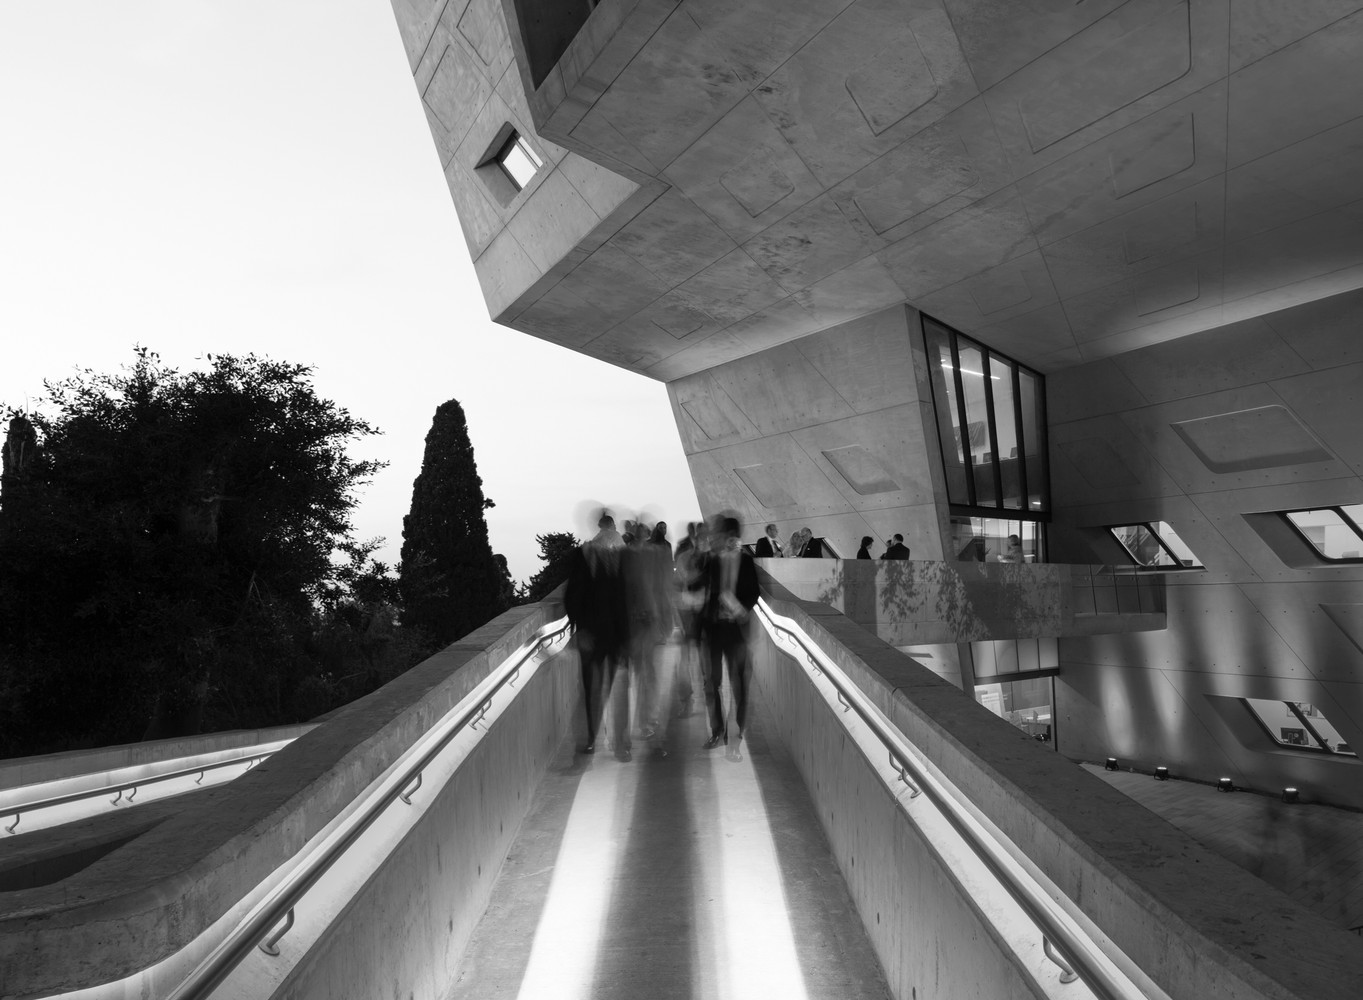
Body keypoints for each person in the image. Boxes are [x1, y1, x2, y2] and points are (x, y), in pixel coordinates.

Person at [563, 511, 629, 759]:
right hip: (610, 634)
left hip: (594, 634)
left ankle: (595, 739)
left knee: (593, 689)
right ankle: (617, 743)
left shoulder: (585, 555)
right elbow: (627, 599)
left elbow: (573, 594)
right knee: (615, 689)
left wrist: (579, 627)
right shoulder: (620, 558)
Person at [701, 515, 759, 761]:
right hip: (714, 631)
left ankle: (734, 739)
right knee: (711, 684)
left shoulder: (746, 562)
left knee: (740, 688)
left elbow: (753, 592)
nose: (717, 538)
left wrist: (741, 609)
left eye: (720, 533)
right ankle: (717, 731)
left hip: (737, 631)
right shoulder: (711, 561)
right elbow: (704, 593)